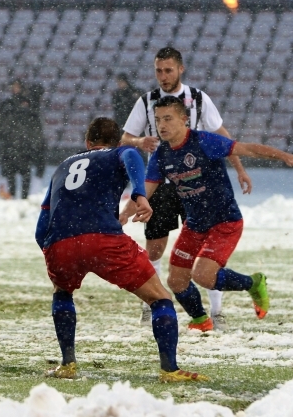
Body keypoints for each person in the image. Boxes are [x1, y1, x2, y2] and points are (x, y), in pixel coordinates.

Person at [36, 117, 207, 383]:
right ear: (116, 141)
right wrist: (139, 193)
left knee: (62, 292)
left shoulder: (64, 166)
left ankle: (68, 364)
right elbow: (131, 155)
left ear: (87, 142)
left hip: (61, 243)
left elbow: (43, 218)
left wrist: (48, 248)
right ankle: (169, 370)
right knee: (160, 298)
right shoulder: (119, 151)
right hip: (103, 239)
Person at [123, 96, 293, 331]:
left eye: (168, 119)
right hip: (195, 224)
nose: (162, 125)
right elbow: (146, 190)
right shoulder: (161, 154)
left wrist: (286, 156)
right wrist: (122, 216)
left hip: (225, 221)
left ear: (184, 120)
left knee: (203, 276)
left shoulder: (203, 141)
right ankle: (201, 321)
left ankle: (253, 283)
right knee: (176, 281)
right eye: (157, 120)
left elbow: (247, 149)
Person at [120, 47, 252, 331]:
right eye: (158, 70)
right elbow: (125, 137)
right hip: (163, 184)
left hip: (198, 182)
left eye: (168, 70)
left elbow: (222, 135)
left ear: (181, 69)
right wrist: (139, 142)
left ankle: (216, 311)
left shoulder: (200, 99)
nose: (163, 76)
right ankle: (151, 303)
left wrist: (239, 168)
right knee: (155, 247)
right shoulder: (147, 102)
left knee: (206, 254)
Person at [0, 79, 45, 199]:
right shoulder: (8, 104)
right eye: (13, 86)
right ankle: (12, 197)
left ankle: (25, 198)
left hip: (24, 145)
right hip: (11, 144)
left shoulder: (29, 104)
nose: (15, 89)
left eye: (17, 86)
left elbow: (35, 123)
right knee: (10, 174)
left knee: (25, 173)